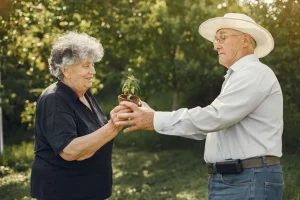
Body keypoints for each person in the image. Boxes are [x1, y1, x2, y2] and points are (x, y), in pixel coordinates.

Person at [111, 13, 284, 200]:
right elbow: (207, 129)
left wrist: (154, 119)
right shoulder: (239, 76)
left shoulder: (253, 73)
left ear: (245, 40)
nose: (216, 45)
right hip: (236, 180)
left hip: (248, 180)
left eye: (222, 38)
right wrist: (153, 115)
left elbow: (215, 117)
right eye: (216, 40)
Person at [30, 31, 124, 200]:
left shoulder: (84, 93)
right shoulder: (55, 99)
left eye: (93, 65)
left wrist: (115, 120)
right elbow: (70, 151)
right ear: (65, 70)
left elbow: (94, 133)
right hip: (64, 191)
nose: (93, 71)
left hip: (89, 190)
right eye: (86, 66)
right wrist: (113, 126)